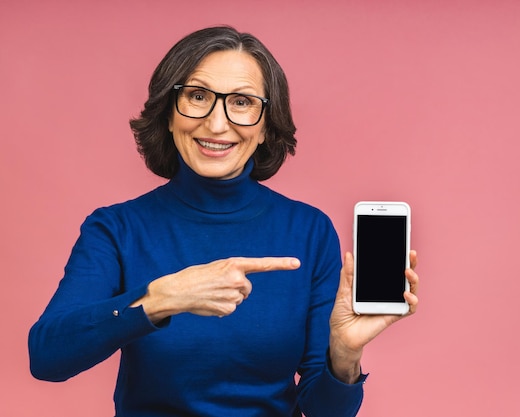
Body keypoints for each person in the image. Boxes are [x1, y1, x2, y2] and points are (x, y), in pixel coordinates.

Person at [28, 26, 419, 417]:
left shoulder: (310, 231)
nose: (216, 125)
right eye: (198, 96)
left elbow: (325, 411)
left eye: (242, 102)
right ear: (167, 112)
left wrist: (345, 356)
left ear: (266, 125)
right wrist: (161, 299)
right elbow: (47, 358)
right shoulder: (115, 229)